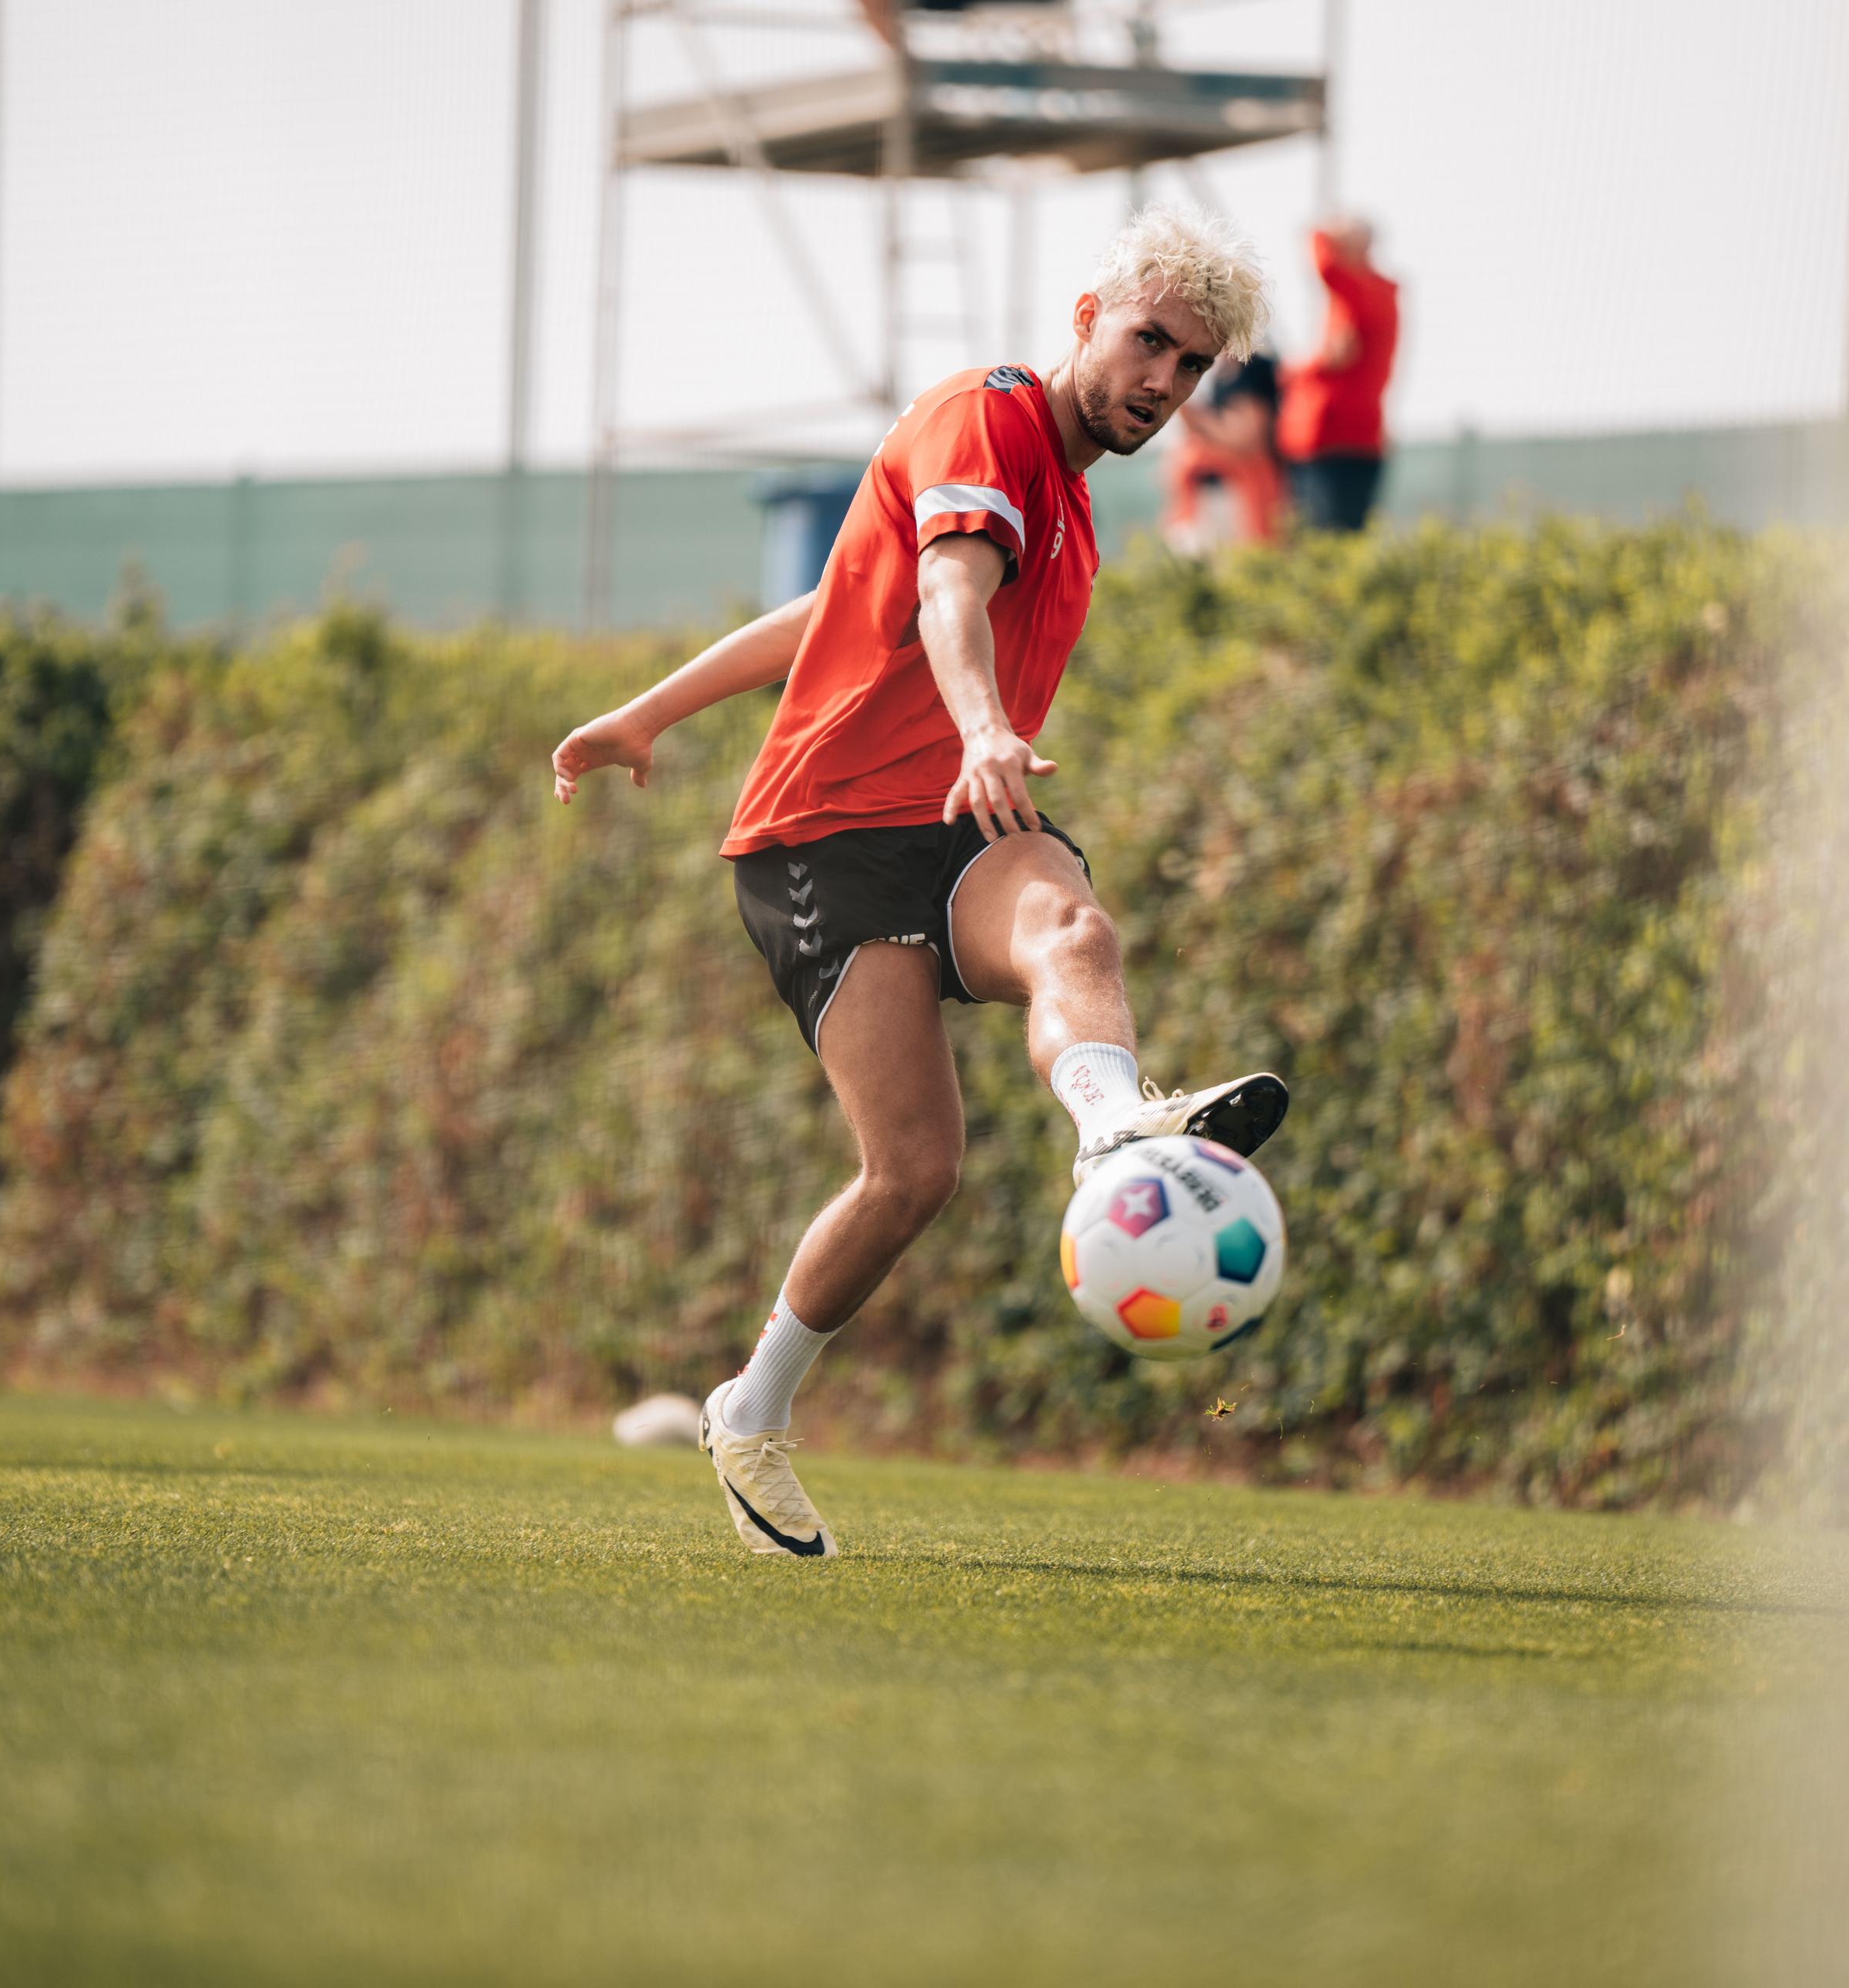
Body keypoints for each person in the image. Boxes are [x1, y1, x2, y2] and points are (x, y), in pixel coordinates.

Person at [549, 208, 1292, 1559]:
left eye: (1191, 371)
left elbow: (833, 604)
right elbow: (945, 594)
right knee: (912, 1173)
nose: (1163, 386)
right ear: (1087, 318)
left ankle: (1116, 1132)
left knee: (1075, 925)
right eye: (1149, 345)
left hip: (954, 813)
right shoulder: (985, 417)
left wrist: (650, 711)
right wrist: (984, 726)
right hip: (822, 836)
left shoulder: (1070, 516)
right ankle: (749, 1407)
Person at [1277, 216, 1402, 533]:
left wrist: (1321, 230)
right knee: (1332, 538)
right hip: (1344, 441)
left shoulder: (1364, 291)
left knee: (1326, 539)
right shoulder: (1372, 295)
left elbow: (1325, 265)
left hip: (1336, 440)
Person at [1160, 345, 1287, 552]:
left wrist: (1191, 413)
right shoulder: (1221, 372)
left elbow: (1246, 438)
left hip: (1250, 488)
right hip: (1221, 492)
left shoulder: (1250, 369)